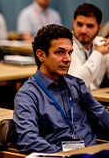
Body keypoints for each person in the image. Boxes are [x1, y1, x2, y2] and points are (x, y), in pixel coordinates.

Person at [13, 24, 109, 153]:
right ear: (41, 55)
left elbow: (104, 121)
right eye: (60, 52)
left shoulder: (77, 84)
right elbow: (28, 140)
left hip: (94, 152)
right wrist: (66, 155)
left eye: (70, 53)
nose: (68, 59)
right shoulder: (28, 95)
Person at [68, 3, 109, 90]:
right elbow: (78, 85)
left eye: (89, 26)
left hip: (95, 100)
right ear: (73, 23)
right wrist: (98, 52)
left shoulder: (102, 44)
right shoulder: (65, 45)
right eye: (79, 24)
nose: (83, 30)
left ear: (99, 27)